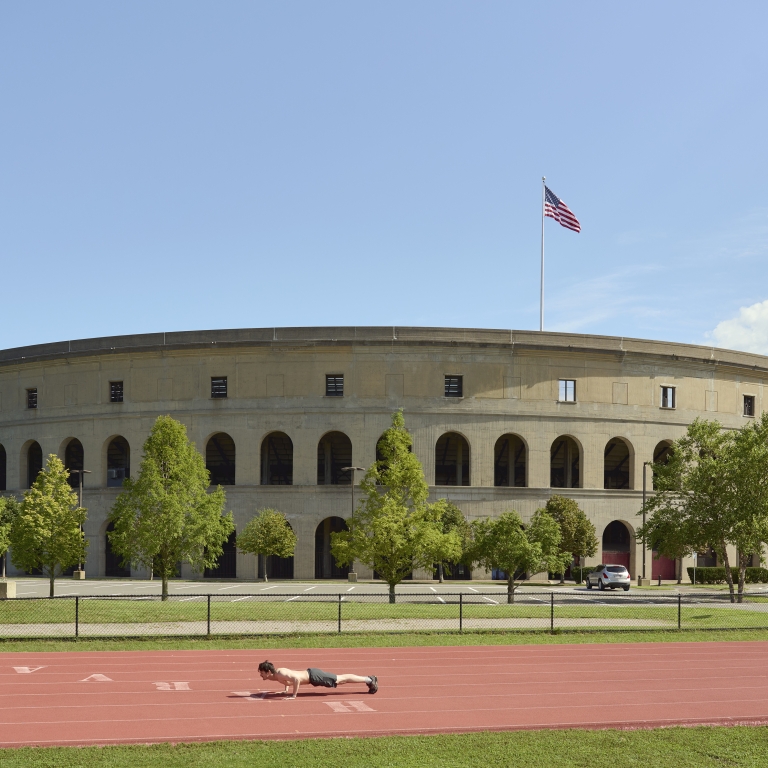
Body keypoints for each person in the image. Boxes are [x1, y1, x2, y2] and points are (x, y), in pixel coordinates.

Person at [258, 660, 377, 699]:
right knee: (341, 680)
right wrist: (285, 690)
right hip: (313, 676)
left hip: (314, 676)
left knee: (341, 679)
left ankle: (369, 679)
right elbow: (288, 680)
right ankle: (368, 680)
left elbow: (295, 679)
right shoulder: (276, 675)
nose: (261, 676)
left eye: (262, 673)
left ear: (268, 672)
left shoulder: (280, 673)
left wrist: (293, 695)